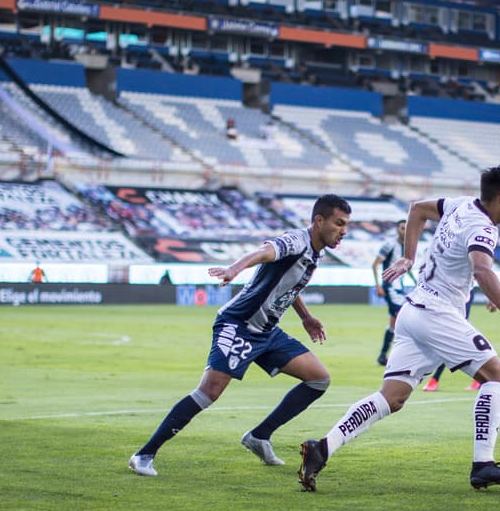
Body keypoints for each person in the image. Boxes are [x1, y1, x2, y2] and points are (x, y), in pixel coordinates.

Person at [297, 166, 500, 492]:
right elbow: (481, 269)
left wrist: (410, 256)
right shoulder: (484, 228)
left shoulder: (460, 204)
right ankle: (482, 464)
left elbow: (417, 209)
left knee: (391, 398)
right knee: (498, 376)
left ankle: (322, 447)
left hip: (413, 311)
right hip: (438, 314)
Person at [127, 194, 351, 477]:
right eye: (339, 223)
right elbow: (265, 251)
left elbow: (288, 287)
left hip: (267, 332)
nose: (343, 230)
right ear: (319, 221)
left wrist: (306, 317)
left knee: (319, 379)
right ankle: (143, 455)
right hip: (240, 325)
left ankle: (259, 436)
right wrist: (234, 268)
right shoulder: (297, 240)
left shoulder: (315, 252)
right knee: (209, 392)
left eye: (346, 225)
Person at [373, 220, 414, 366]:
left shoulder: (407, 247)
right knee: (402, 317)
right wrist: (378, 286)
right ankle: (398, 356)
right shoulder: (389, 245)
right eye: (402, 228)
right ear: (397, 230)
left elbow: (406, 268)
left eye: (406, 228)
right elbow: (375, 264)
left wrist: (416, 282)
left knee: (394, 322)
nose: (404, 231)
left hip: (399, 287)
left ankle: (383, 355)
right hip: (390, 286)